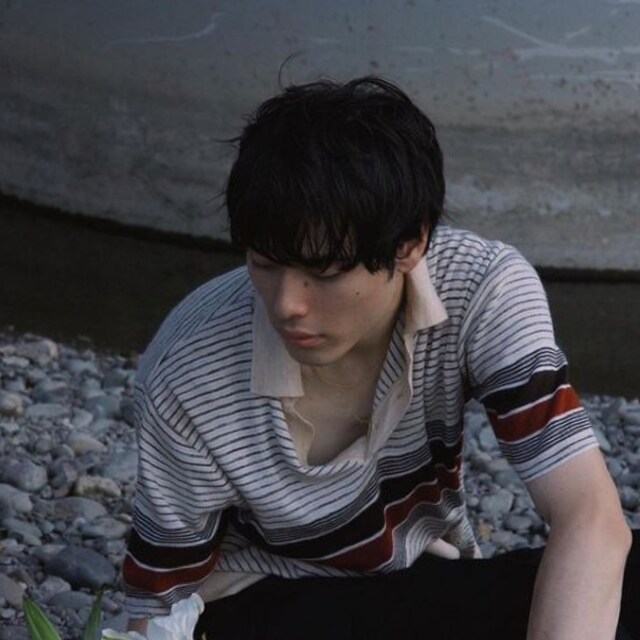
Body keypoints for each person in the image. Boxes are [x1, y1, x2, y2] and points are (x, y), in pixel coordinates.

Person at [122, 76, 638, 639]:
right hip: (265, 604)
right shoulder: (188, 370)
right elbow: (162, 602)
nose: (287, 304)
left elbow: (589, 515)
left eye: (324, 271)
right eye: (265, 263)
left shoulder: (481, 289)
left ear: (411, 244)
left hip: (414, 584)